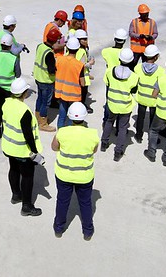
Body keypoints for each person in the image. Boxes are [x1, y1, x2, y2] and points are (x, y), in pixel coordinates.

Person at [52, 102, 99, 239]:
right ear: (84, 117)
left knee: (62, 202)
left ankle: (59, 228)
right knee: (85, 203)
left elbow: (54, 147)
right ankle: (88, 230)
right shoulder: (93, 134)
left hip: (64, 175)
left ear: (70, 117)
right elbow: (94, 150)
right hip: (85, 176)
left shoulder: (62, 132)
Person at [1, 77, 44, 217]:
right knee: (27, 176)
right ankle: (26, 206)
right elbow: (28, 134)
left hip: (9, 147)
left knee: (13, 169)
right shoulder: (24, 111)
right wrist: (34, 152)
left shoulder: (6, 104)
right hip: (22, 151)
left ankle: (16, 195)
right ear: (24, 93)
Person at [101, 48, 139, 162]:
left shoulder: (109, 72)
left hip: (112, 102)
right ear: (132, 61)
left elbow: (107, 83)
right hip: (125, 106)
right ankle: (118, 152)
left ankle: (104, 143)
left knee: (109, 121)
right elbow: (133, 91)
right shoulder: (134, 76)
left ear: (119, 59)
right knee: (122, 128)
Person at [0, 33, 21, 141]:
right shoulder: (13, 58)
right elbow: (18, 74)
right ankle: (8, 132)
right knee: (9, 111)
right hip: (8, 89)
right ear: (11, 46)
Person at [133, 45, 164, 143]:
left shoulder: (138, 68)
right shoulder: (160, 71)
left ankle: (138, 135)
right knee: (153, 119)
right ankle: (152, 136)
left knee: (140, 117)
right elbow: (160, 86)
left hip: (141, 97)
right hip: (153, 99)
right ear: (155, 57)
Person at [33, 28, 62, 132]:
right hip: (46, 81)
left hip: (38, 77)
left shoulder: (40, 46)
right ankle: (43, 123)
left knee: (40, 99)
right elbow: (51, 71)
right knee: (46, 102)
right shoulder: (49, 53)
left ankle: (38, 118)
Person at [54, 37, 86, 128]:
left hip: (61, 92)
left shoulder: (59, 60)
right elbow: (82, 83)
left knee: (62, 115)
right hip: (74, 94)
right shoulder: (79, 65)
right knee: (70, 117)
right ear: (78, 49)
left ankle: (60, 133)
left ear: (67, 48)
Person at [128, 3, 158, 69]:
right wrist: (139, 36)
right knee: (132, 66)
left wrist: (151, 37)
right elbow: (130, 33)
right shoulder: (134, 22)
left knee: (146, 67)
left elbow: (155, 33)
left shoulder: (152, 22)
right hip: (136, 49)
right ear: (140, 14)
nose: (146, 16)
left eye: (147, 14)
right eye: (144, 14)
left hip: (147, 50)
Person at [73, 29, 95, 113]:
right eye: (84, 39)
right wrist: (90, 63)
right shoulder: (80, 51)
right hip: (81, 76)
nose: (86, 41)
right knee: (82, 93)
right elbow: (79, 65)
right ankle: (81, 106)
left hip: (83, 75)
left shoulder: (82, 49)